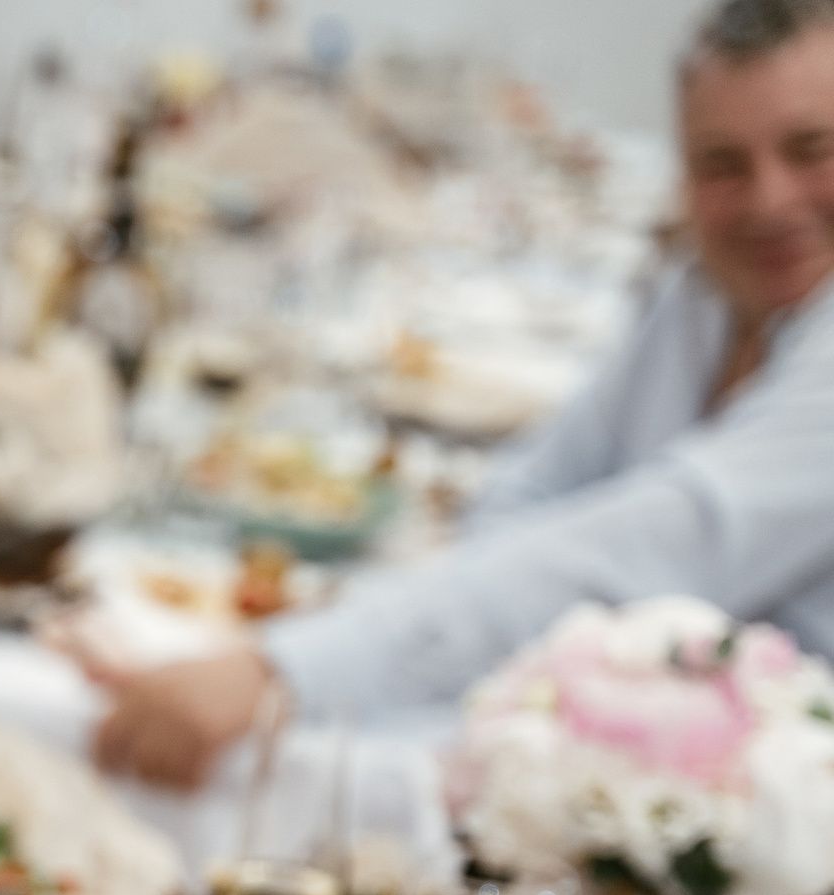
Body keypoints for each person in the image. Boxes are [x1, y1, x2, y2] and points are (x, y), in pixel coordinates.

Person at [95, 0, 834, 789]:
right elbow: (531, 492)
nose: (769, 201)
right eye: (722, 165)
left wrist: (289, 669)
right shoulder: (704, 291)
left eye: (811, 150)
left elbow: (654, 545)